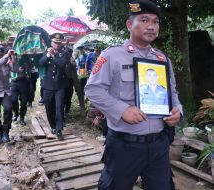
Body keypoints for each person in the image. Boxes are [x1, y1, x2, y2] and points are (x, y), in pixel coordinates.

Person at [84, 0, 183, 189]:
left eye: (155, 22)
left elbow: (172, 92)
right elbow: (93, 90)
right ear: (130, 24)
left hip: (159, 145)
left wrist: (178, 110)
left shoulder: (162, 59)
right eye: (144, 20)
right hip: (124, 145)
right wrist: (122, 110)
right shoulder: (112, 55)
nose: (151, 26)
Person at [38, 33, 69, 140]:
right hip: (47, 85)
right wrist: (47, 55)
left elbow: (61, 64)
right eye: (55, 43)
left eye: (59, 43)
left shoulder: (64, 53)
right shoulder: (46, 51)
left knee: (59, 107)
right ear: (51, 42)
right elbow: (41, 64)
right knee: (49, 107)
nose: (57, 45)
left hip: (60, 85)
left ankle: (59, 129)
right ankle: (53, 126)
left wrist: (53, 55)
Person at [11, 55, 30, 126]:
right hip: (14, 82)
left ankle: (22, 117)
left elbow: (31, 66)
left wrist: (25, 67)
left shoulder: (26, 56)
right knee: (13, 100)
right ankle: (16, 113)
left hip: (24, 81)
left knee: (24, 101)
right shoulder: (10, 56)